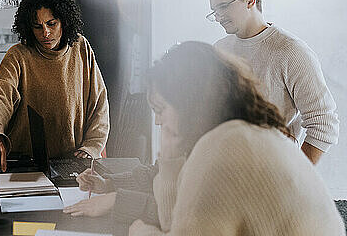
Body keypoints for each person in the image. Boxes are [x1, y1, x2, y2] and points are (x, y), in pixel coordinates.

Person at [68, 42, 345, 235]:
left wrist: (141, 231)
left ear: (191, 103)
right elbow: (176, 220)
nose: (157, 121)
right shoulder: (238, 130)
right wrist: (170, 156)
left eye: (161, 110)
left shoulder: (225, 147)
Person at [206, 0, 339, 164]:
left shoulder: (291, 52)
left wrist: (295, 176)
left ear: (249, 0)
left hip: (272, 175)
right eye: (214, 10)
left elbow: (324, 123)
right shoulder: (219, 50)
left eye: (224, 7)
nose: (218, 17)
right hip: (224, 173)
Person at [0, 0, 110, 172]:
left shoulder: (81, 48)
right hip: (27, 164)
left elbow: (99, 102)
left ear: (64, 21)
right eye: (37, 26)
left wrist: (92, 146)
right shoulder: (18, 55)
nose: (45, 33)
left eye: (52, 24)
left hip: (72, 163)